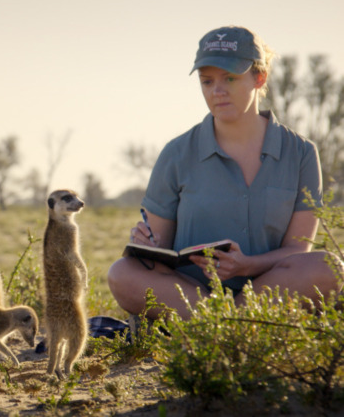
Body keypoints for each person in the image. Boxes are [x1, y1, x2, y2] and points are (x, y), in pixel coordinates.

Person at [108, 26, 343, 320]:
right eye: (207, 82)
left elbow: (297, 250)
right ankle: (232, 324)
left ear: (260, 78)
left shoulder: (302, 153)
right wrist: (146, 246)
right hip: (189, 294)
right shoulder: (176, 153)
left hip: (270, 290)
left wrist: (248, 266)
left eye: (230, 78)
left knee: (329, 267)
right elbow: (160, 250)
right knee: (122, 272)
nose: (217, 91)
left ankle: (217, 325)